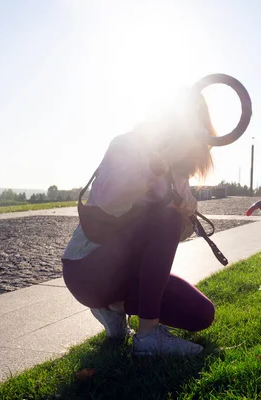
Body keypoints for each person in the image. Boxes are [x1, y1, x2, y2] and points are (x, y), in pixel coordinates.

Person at [61, 91, 217, 356]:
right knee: (165, 215)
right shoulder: (127, 145)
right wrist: (159, 165)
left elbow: (167, 238)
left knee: (201, 313)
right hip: (87, 268)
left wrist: (186, 214)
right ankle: (147, 335)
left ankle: (113, 308)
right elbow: (109, 199)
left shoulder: (178, 172)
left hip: (127, 275)